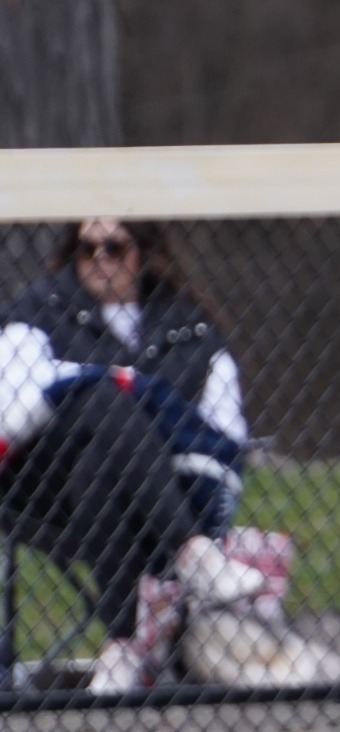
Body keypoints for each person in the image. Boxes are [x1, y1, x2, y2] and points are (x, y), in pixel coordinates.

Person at [1, 217, 266, 693]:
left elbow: (224, 438)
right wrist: (110, 383)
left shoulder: (191, 327)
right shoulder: (36, 310)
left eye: (115, 247)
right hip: (40, 490)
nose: (101, 260)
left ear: (140, 251)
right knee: (104, 395)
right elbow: (14, 407)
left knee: (100, 458)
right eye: (88, 249)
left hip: (156, 497)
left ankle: (121, 646)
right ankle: (193, 555)